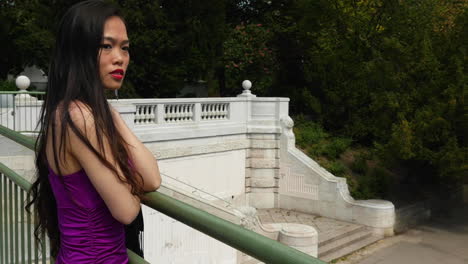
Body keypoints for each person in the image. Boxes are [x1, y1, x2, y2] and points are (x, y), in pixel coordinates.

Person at [26, 1, 161, 263]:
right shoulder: (79, 117)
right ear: (78, 52)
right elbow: (126, 210)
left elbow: (152, 179)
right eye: (106, 46)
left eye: (125, 48)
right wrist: (130, 181)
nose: (120, 57)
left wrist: (113, 116)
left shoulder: (71, 111)